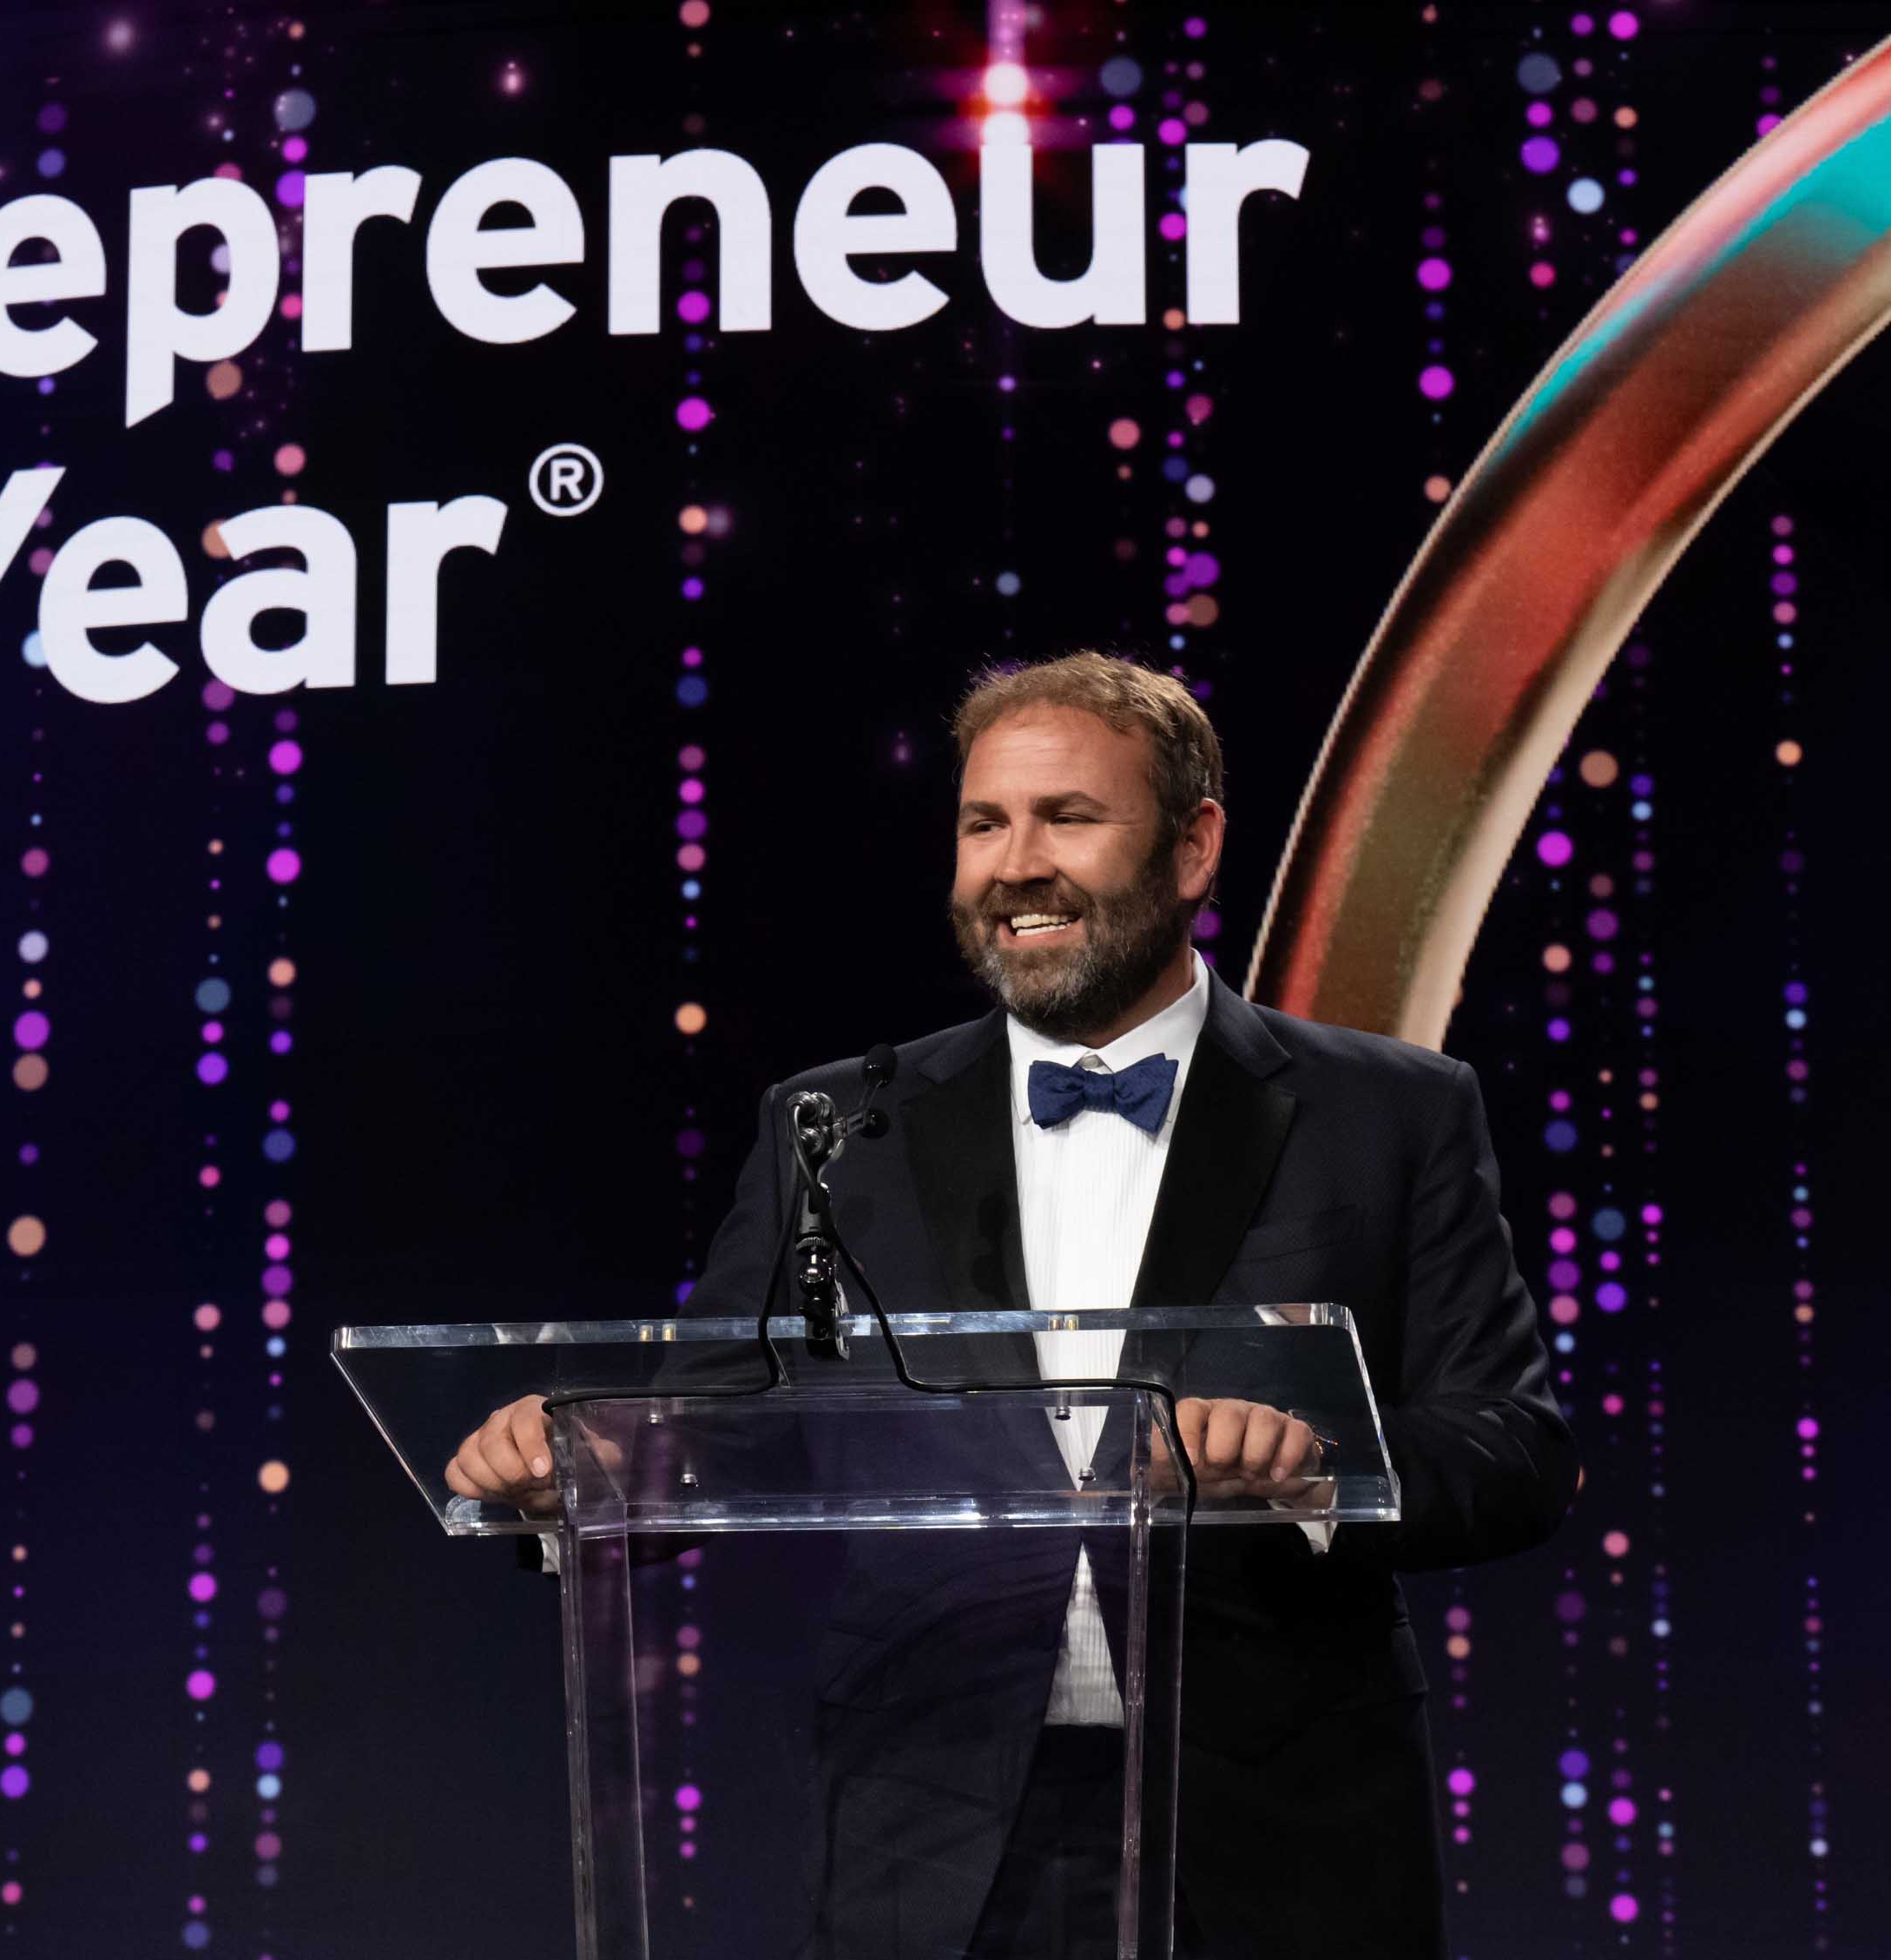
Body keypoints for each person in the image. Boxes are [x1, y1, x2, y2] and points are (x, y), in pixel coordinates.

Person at [446, 652, 1574, 1958]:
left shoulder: (1392, 1112)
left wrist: (1319, 1462)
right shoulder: (840, 1124)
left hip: (1278, 1830)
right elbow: (730, 1421)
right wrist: (579, 1460)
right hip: (933, 1825)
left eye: (1069, 818)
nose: (1014, 864)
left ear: (1196, 847)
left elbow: (1515, 1447)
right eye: (986, 823)